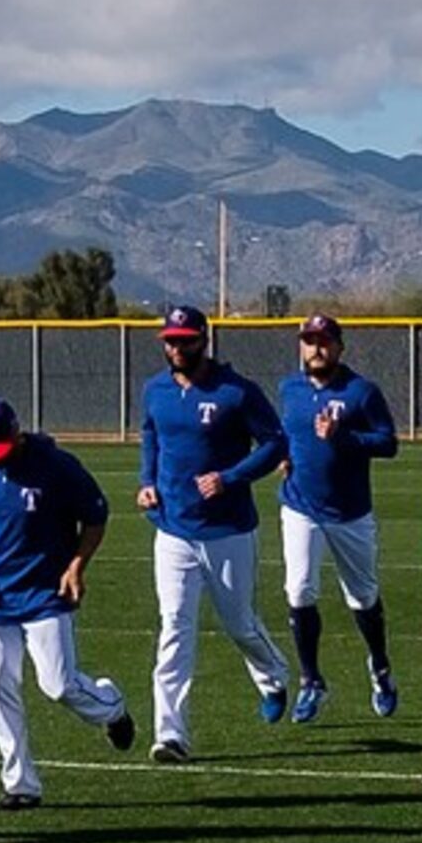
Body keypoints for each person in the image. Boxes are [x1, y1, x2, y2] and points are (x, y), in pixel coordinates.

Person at [0, 398, 136, 808]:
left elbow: (96, 516)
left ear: (17, 435)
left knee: (58, 685)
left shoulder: (57, 466)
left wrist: (77, 566)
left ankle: (111, 707)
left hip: (45, 593)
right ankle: (20, 784)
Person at [135, 304, 292, 761]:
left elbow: (276, 443)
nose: (176, 347)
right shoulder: (156, 390)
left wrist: (231, 476)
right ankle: (170, 735)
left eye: (185, 339)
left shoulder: (236, 392)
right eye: (170, 339)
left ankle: (274, 676)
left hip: (227, 530)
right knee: (174, 629)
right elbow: (151, 434)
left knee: (239, 623)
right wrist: (147, 481)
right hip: (173, 531)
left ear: (204, 339)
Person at [273, 312, 399, 723]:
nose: (316, 348)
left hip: (349, 512)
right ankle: (311, 680)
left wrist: (344, 437)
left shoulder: (361, 392)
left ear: (339, 346)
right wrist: (284, 457)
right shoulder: (289, 389)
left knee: (362, 596)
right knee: (299, 590)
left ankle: (380, 667)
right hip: (300, 506)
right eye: (309, 340)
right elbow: (284, 434)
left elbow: (388, 443)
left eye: (324, 340)